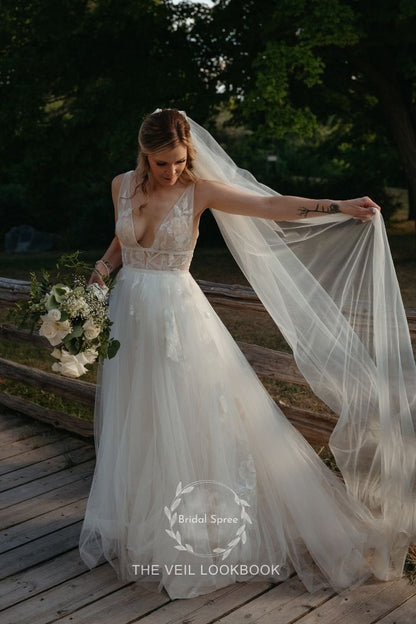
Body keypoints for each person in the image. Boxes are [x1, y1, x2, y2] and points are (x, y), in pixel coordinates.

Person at [79, 108, 416, 600]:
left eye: (176, 161)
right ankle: (142, 523)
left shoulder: (200, 191)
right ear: (143, 156)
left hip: (178, 319)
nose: (169, 172)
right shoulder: (121, 185)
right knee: (140, 417)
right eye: (159, 163)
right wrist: (99, 272)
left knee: (196, 419)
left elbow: (271, 207)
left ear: (187, 154)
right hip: (128, 320)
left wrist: (339, 205)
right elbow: (122, 241)